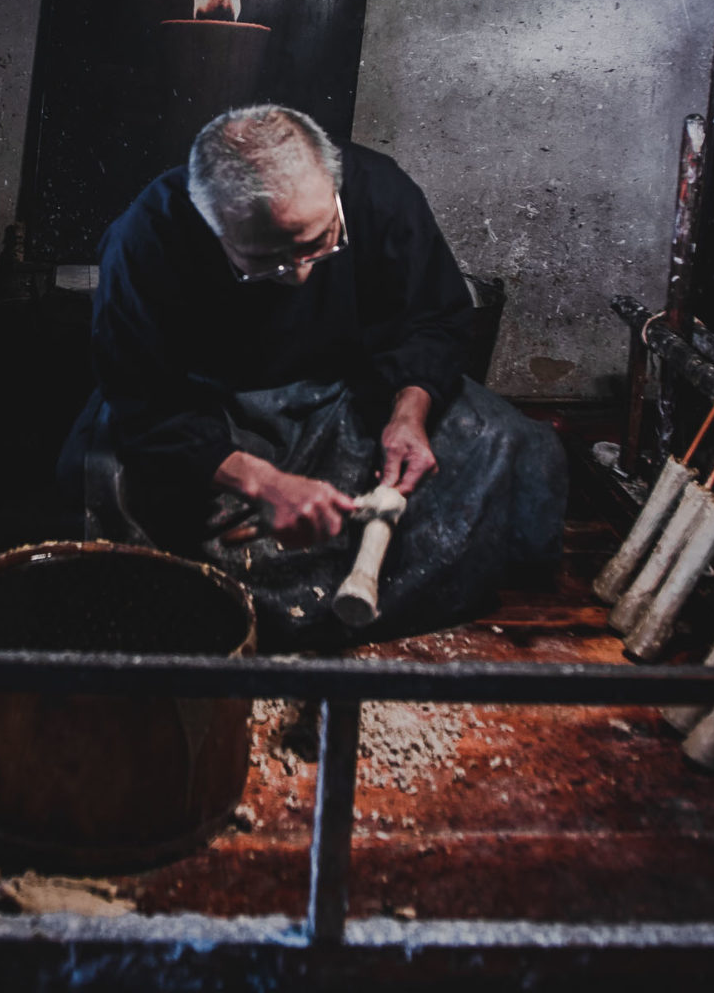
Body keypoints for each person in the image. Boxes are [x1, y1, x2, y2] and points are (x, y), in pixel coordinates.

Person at [58, 104, 567, 647]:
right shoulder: (146, 236)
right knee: (109, 477)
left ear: (333, 191)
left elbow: (433, 319)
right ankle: (239, 616)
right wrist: (261, 482)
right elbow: (143, 397)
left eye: (319, 242)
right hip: (214, 409)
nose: (300, 275)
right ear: (215, 226)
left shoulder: (380, 192)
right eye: (266, 259)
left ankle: (368, 598)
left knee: (502, 440)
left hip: (350, 394)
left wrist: (408, 413)